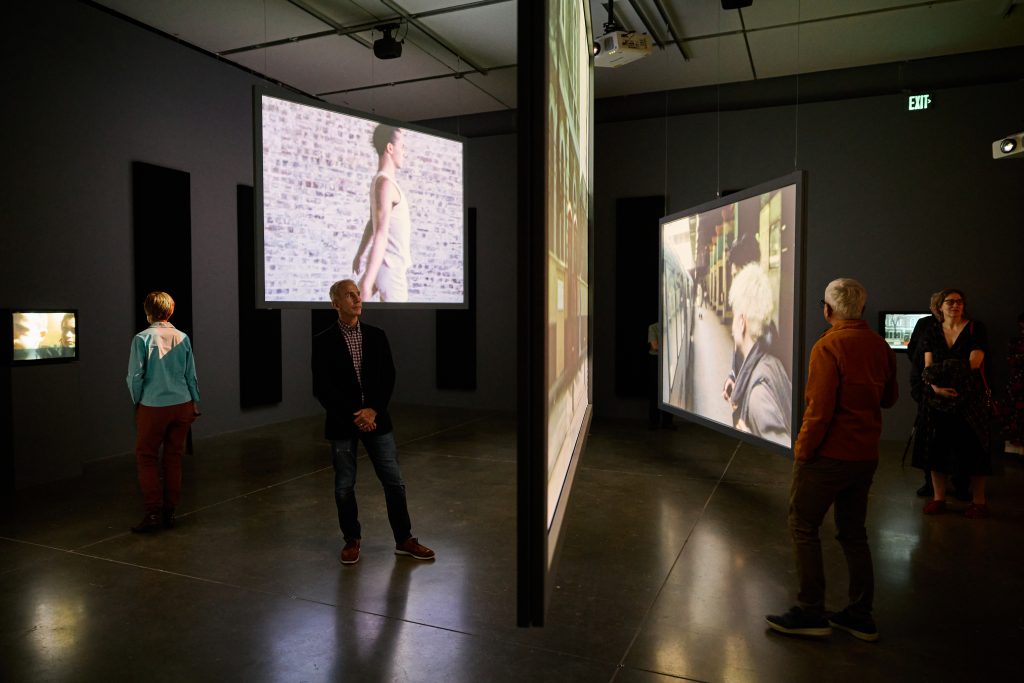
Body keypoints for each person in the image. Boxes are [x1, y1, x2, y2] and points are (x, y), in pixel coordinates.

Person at [766, 278, 897, 642]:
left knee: (803, 525)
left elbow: (819, 411)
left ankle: (811, 611)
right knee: (854, 533)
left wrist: (803, 451)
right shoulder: (880, 346)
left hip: (828, 457)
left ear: (827, 310)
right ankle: (860, 614)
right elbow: (889, 399)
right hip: (865, 456)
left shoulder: (828, 346)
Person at [312, 279, 434, 565]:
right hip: (344, 423)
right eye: (349, 295)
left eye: (358, 294)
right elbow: (322, 387)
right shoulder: (323, 340)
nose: (357, 299)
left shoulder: (377, 335)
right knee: (344, 485)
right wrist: (357, 415)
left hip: (377, 420)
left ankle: (404, 539)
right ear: (335, 303)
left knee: (394, 481)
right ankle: (351, 540)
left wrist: (373, 411)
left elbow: (387, 376)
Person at [125, 292, 201, 533]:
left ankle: (153, 513)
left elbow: (135, 376)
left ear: (148, 311)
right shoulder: (182, 337)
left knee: (146, 456)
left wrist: (137, 401)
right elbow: (191, 374)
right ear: (170, 311)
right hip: (183, 404)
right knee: (173, 457)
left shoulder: (142, 338)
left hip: (154, 405)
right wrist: (195, 401)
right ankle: (170, 512)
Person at [913, 288, 992, 518]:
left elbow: (975, 363)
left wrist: (942, 368)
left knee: (974, 450)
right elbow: (927, 369)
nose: (955, 306)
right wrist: (936, 387)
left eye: (959, 302)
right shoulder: (931, 331)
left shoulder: (976, 329)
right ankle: (939, 497)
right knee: (937, 451)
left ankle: (979, 501)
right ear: (940, 307)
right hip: (937, 400)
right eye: (950, 302)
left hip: (970, 401)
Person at [723, 263, 792, 446]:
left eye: (735, 314)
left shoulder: (758, 396)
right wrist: (734, 377)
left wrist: (750, 436)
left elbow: (782, 443)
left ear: (741, 322)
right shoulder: (773, 361)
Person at [352, 125, 412, 303]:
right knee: (401, 324)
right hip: (390, 269)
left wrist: (360, 254)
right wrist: (368, 280)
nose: (404, 152)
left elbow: (373, 223)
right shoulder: (385, 184)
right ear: (390, 148)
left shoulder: (381, 182)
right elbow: (380, 232)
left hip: (386, 267)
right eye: (402, 147)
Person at [906, 292, 942, 497]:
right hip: (925, 386)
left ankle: (960, 484)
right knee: (929, 437)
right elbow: (913, 350)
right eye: (934, 305)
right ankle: (930, 483)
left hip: (952, 390)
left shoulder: (967, 326)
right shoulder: (924, 324)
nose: (936, 308)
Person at [647, 322, 674, 429]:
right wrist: (668, 345)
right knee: (655, 391)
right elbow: (654, 346)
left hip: (667, 358)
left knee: (668, 392)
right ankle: (654, 422)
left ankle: (667, 421)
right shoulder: (653, 327)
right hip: (656, 361)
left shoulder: (670, 325)